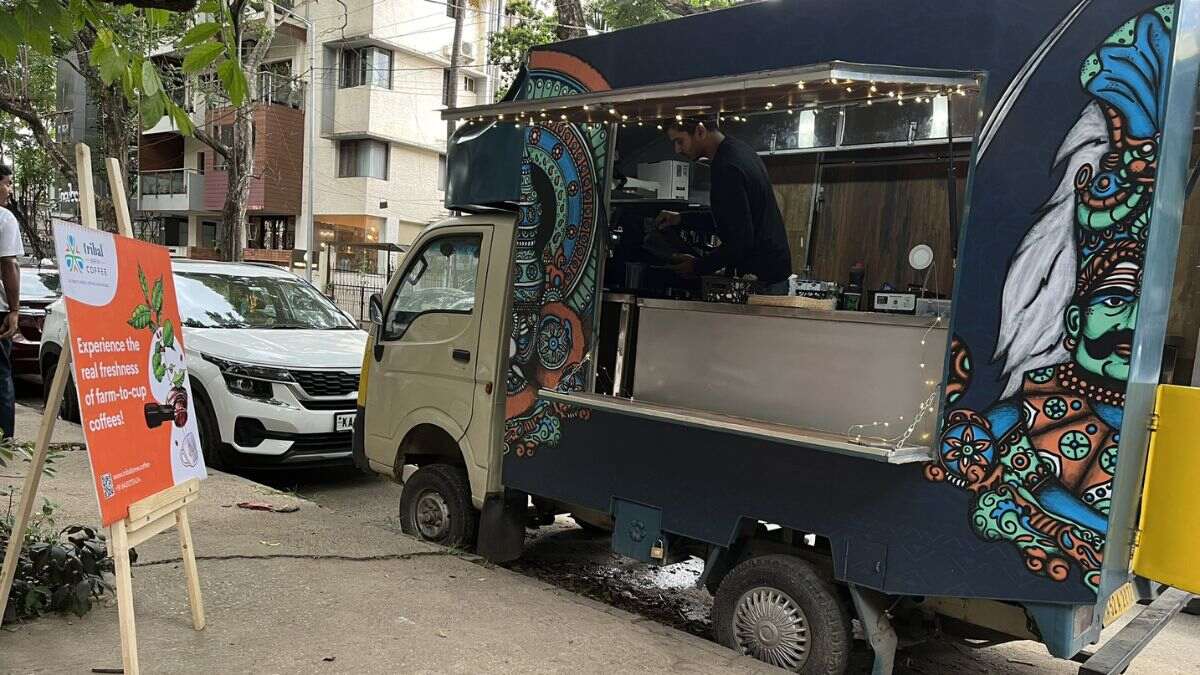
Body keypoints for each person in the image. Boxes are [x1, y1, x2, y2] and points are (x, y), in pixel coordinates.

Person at [654, 119, 792, 294]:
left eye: (679, 141)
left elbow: (740, 241)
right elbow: (731, 220)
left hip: (762, 281)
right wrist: (681, 218)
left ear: (700, 131)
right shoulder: (740, 150)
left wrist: (698, 267)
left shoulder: (726, 166)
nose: (677, 149)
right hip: (772, 274)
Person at [0, 165, 23, 441]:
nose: (9, 190)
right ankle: (5, 437)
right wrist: (15, 310)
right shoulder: (4, 219)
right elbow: (8, 264)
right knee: (1, 373)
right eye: (6, 183)